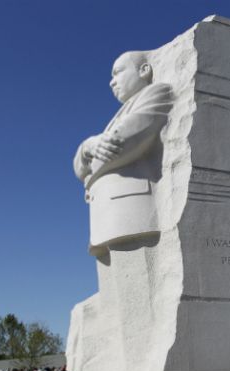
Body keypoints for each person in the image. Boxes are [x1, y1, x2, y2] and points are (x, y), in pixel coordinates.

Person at [73, 50, 173, 259]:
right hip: (106, 215)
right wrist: (88, 146)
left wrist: (90, 172)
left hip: (130, 212)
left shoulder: (156, 93)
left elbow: (120, 143)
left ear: (144, 70)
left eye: (117, 72)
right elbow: (78, 169)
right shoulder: (121, 113)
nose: (112, 82)